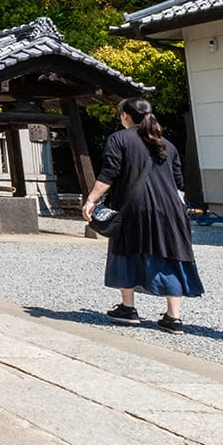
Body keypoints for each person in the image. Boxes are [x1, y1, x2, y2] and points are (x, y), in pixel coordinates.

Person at [81, 97, 203, 332]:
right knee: (172, 255)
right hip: (171, 210)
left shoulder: (119, 139)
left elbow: (109, 173)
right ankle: (173, 317)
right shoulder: (168, 145)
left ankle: (128, 308)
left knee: (125, 250)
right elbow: (179, 184)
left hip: (134, 207)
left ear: (125, 116)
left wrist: (91, 200)